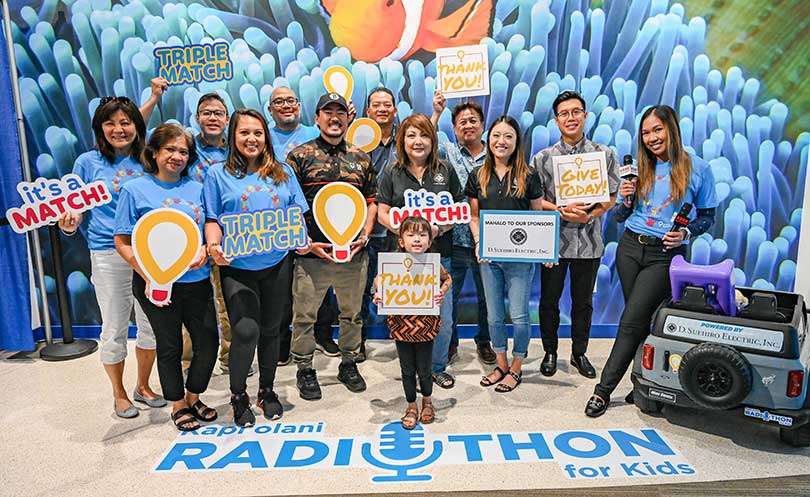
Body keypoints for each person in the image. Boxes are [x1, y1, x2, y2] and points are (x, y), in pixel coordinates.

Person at [585, 105, 717, 417]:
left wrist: (685, 234)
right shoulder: (638, 168)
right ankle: (640, 383)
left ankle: (602, 392)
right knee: (640, 320)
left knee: (630, 322)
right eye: (646, 133)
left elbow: (708, 217)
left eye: (657, 130)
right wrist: (625, 199)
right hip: (630, 248)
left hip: (664, 256)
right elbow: (619, 217)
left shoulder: (698, 168)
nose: (651, 138)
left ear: (672, 129)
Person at [58, 96, 165, 419]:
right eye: (110, 123)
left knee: (150, 325)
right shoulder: (87, 163)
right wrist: (70, 222)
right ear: (99, 128)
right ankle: (119, 394)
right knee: (115, 325)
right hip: (107, 251)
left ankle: (143, 386)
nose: (118, 129)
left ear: (137, 126)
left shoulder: (149, 159)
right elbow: (73, 209)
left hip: (150, 253)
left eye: (125, 123)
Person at [204, 109, 311, 426]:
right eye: (244, 133)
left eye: (257, 133)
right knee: (245, 331)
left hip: (277, 263)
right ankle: (238, 394)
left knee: (271, 331)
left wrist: (301, 239)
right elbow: (212, 219)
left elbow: (297, 215)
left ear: (266, 137)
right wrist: (213, 246)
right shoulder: (217, 175)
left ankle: (267, 390)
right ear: (233, 137)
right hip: (237, 266)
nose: (251, 139)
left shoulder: (283, 173)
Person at [113, 123, 218, 431]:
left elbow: (208, 229)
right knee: (169, 345)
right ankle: (177, 404)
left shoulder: (199, 189)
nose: (177, 156)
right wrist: (150, 275)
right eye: (170, 149)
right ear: (155, 153)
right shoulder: (134, 189)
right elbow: (122, 241)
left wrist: (205, 249)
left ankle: (194, 395)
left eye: (183, 151)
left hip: (196, 281)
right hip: (155, 284)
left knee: (208, 341)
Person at [140, 79, 244, 376]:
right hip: (184, 241)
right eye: (206, 112)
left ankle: (229, 357)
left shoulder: (236, 151)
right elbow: (139, 136)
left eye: (219, 113)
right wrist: (153, 98)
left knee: (226, 302)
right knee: (185, 303)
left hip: (225, 238)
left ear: (227, 119)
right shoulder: (184, 146)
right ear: (197, 118)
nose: (212, 118)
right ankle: (188, 361)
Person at [287, 92, 377, 400]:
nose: (334, 117)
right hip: (313, 254)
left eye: (340, 112)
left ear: (348, 117)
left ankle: (349, 362)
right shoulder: (299, 156)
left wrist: (364, 235)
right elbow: (289, 206)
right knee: (304, 315)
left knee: (351, 314)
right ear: (317, 118)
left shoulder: (361, 157)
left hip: (353, 254)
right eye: (328, 111)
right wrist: (303, 244)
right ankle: (305, 368)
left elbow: (371, 201)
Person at [532, 90, 620, 378]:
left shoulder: (604, 154)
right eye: (564, 114)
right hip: (553, 244)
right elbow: (535, 200)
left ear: (585, 115)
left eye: (576, 112)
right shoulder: (542, 158)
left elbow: (611, 196)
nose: (571, 118)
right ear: (556, 120)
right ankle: (550, 351)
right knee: (549, 301)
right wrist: (558, 210)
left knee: (583, 302)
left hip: (589, 244)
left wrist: (589, 214)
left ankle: (579, 353)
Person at [468, 116, 555, 392]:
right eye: (496, 136)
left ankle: (517, 366)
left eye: (508, 136)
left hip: (520, 259)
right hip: (489, 258)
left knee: (518, 315)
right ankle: (501, 364)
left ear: (517, 142)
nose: (500, 142)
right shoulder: (477, 175)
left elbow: (536, 216)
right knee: (494, 316)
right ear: (489, 138)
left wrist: (544, 248)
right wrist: (480, 241)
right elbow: (473, 215)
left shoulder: (529, 176)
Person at [376, 113, 463, 389]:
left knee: (443, 317)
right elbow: (382, 212)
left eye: (424, 135)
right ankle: (411, 370)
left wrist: (437, 230)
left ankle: (436, 367)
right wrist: (404, 233)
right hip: (403, 261)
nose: (418, 141)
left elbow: (459, 209)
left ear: (432, 140)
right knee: (408, 317)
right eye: (411, 135)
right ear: (402, 140)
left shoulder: (445, 170)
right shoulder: (392, 172)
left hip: (440, 255)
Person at [267, 86, 340, 364]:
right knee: (283, 289)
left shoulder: (314, 132)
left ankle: (323, 335)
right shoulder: (265, 137)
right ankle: (283, 342)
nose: (286, 106)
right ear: (270, 109)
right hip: (277, 225)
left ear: (299, 105)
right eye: (279, 102)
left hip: (315, 223)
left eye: (291, 100)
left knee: (320, 285)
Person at [431, 91, 495, 365]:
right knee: (450, 298)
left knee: (488, 298)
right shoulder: (447, 151)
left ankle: (484, 342)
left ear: (483, 125)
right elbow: (425, 139)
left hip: (490, 239)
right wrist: (436, 112)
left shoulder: (496, 152)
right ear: (454, 128)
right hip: (454, 238)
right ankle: (451, 343)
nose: (468, 125)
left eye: (473, 120)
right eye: (461, 122)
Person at [374, 217, 451, 429]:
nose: (416, 239)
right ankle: (411, 406)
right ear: (401, 241)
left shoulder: (433, 263)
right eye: (410, 235)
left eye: (422, 235)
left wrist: (441, 292)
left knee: (425, 368)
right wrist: (379, 294)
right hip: (400, 324)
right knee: (407, 369)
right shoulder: (392, 264)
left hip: (426, 323)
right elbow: (378, 281)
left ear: (429, 240)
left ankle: (428, 402)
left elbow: (448, 279)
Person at [360, 86, 400, 360]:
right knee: (364, 286)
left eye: (387, 104)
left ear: (395, 110)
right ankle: (359, 341)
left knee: (399, 282)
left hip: (399, 228)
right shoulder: (359, 140)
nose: (382, 109)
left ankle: (402, 336)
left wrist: (436, 113)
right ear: (368, 111)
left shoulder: (406, 137)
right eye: (377, 105)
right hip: (368, 227)